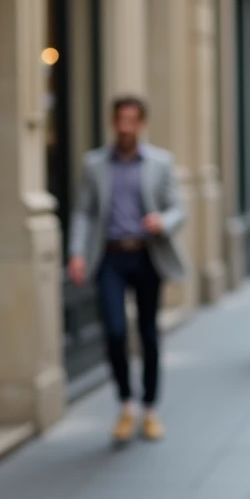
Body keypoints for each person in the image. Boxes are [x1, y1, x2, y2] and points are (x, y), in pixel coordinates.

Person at [69, 95, 187, 443]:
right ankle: (125, 404)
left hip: (148, 255)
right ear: (113, 122)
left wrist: (161, 221)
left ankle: (150, 408)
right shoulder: (94, 164)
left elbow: (179, 208)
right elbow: (84, 212)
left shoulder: (160, 163)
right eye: (121, 120)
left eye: (132, 120)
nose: (125, 127)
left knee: (148, 333)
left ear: (142, 124)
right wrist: (76, 252)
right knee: (116, 332)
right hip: (110, 257)